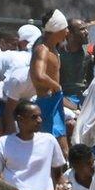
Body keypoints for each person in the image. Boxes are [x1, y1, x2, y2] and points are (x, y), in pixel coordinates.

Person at [0, 100, 66, 190]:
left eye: (40, 116)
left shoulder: (49, 141)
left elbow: (58, 172)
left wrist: (63, 185)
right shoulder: (3, 143)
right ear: (20, 119)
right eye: (34, 117)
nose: (39, 120)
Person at [29, 9, 70, 157]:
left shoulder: (54, 49)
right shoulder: (43, 50)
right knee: (52, 148)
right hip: (46, 103)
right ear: (57, 29)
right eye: (65, 28)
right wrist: (56, 86)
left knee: (62, 149)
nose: (67, 31)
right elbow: (38, 75)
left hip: (55, 101)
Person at [58, 18, 93, 109]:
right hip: (62, 99)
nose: (86, 32)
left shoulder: (87, 55)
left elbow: (90, 81)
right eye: (82, 29)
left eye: (86, 29)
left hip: (83, 100)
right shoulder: (58, 53)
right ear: (69, 33)